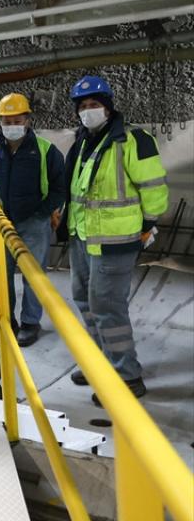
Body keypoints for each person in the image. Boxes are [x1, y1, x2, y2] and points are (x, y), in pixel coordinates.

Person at [61, 76, 168, 402]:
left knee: (108, 308)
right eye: (82, 106)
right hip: (82, 237)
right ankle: (100, 362)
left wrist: (148, 225)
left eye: (94, 104)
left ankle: (126, 376)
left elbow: (154, 189)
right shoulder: (83, 141)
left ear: (108, 106)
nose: (88, 111)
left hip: (116, 241)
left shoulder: (134, 139)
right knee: (84, 299)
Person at [0, 92, 66, 347]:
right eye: (6, 122)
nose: (12, 126)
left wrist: (43, 213)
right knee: (1, 275)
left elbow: (59, 188)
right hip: (0, 223)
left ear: (28, 120)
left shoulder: (45, 150)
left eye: (16, 120)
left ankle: (31, 322)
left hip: (33, 223)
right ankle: (5, 320)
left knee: (34, 274)